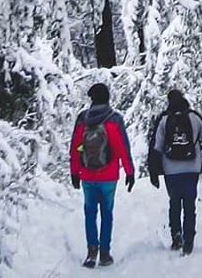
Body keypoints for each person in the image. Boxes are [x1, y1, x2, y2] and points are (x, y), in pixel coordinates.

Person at [69, 82, 135, 268]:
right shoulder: (114, 119)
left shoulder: (82, 119)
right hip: (109, 176)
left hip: (87, 175)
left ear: (91, 99)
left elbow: (75, 147)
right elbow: (122, 147)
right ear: (107, 98)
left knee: (90, 213)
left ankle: (91, 252)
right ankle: (105, 253)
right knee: (107, 213)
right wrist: (129, 171)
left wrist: (74, 171)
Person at [147, 88, 202, 255]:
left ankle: (176, 236)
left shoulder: (164, 120)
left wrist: (154, 172)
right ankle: (189, 240)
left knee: (174, 202)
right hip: (191, 169)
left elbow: (155, 147)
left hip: (171, 170)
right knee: (189, 205)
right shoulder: (194, 118)